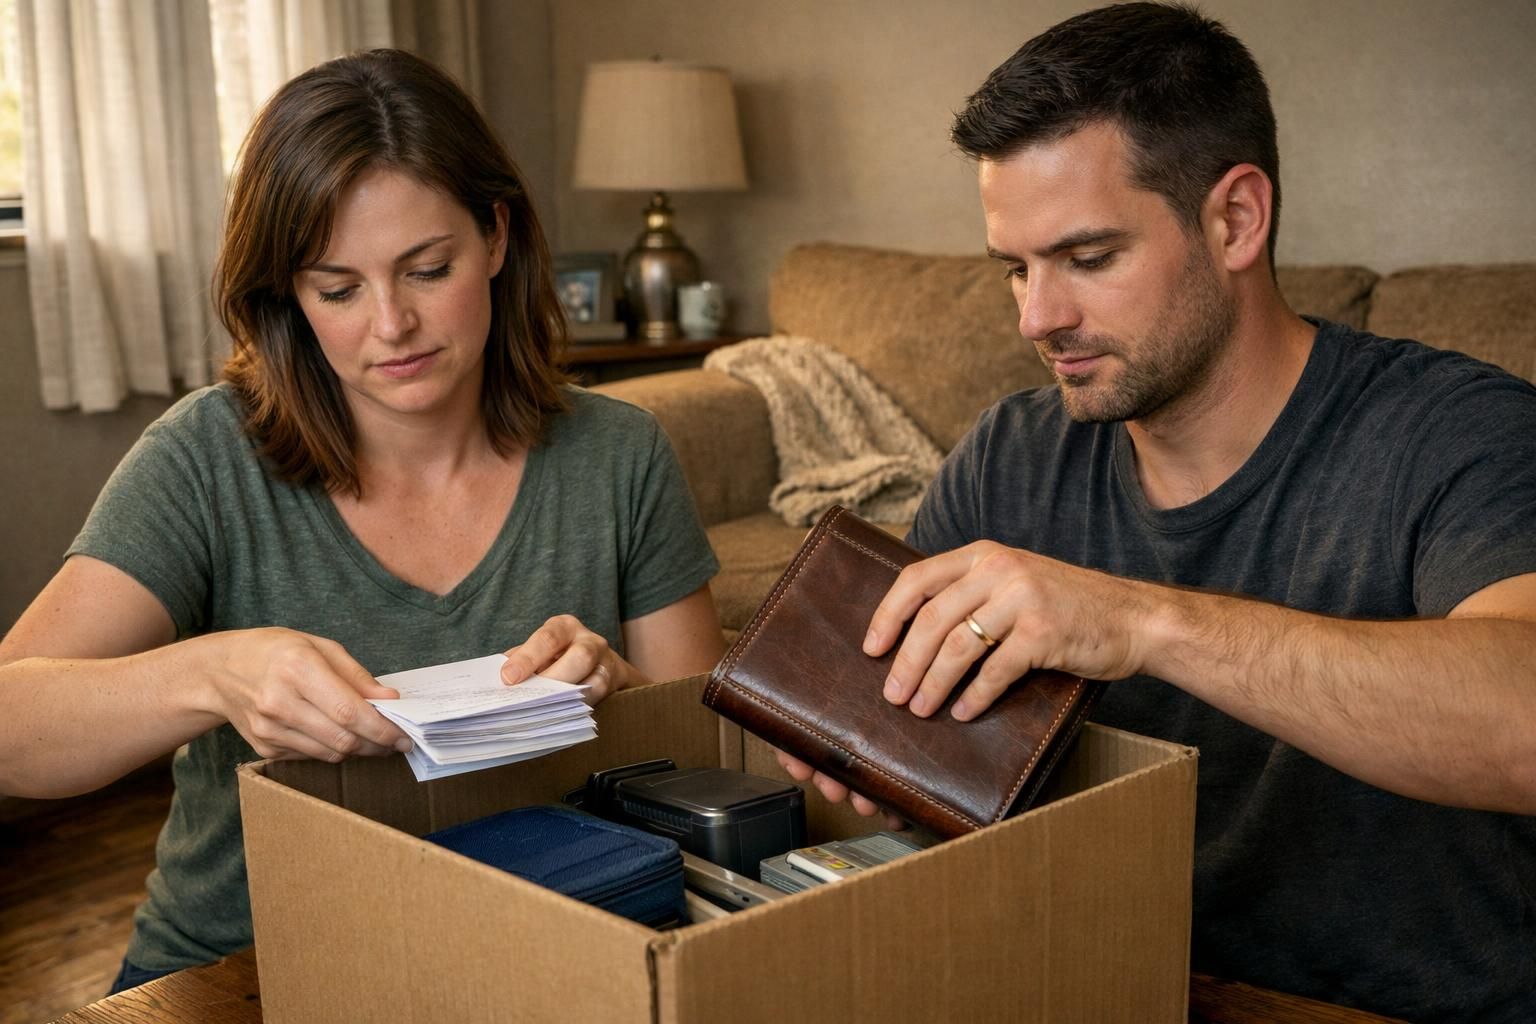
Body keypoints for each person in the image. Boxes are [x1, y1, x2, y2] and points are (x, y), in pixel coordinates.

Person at [778, 4, 1536, 1021]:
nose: (1037, 318)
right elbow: (908, 765)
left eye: (1088, 259)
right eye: (1016, 267)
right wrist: (863, 754)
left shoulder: (1460, 431)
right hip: (1108, 985)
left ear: (1235, 220)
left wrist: (1139, 621)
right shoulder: (1008, 456)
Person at [0, 49, 723, 993]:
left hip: (540, 955)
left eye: (428, 270)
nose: (392, 324)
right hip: (243, 967)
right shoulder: (210, 456)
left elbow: (711, 762)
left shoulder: (619, 455)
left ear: (496, 237)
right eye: (337, 289)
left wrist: (615, 689)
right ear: (290, 297)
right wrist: (210, 674)